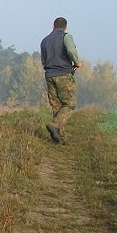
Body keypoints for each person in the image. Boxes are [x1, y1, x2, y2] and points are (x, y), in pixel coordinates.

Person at [40, 17, 81, 145]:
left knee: (56, 105)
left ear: (53, 26)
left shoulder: (44, 40)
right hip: (63, 73)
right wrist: (77, 63)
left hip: (49, 74)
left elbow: (43, 59)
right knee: (69, 103)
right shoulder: (66, 36)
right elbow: (71, 50)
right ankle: (54, 126)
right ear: (65, 27)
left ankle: (58, 136)